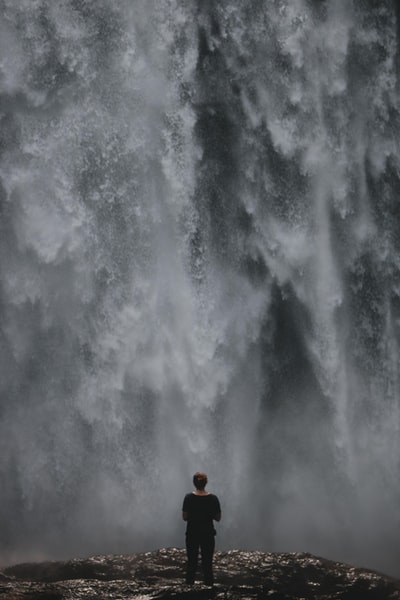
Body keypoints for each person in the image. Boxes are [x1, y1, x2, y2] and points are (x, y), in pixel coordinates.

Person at [182, 472, 221, 586]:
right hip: (207, 534)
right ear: (206, 483)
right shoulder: (213, 498)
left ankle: (189, 591)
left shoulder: (188, 497)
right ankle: (209, 592)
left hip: (192, 533)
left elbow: (184, 517)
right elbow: (218, 518)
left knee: (191, 563)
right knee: (207, 564)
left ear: (194, 483)